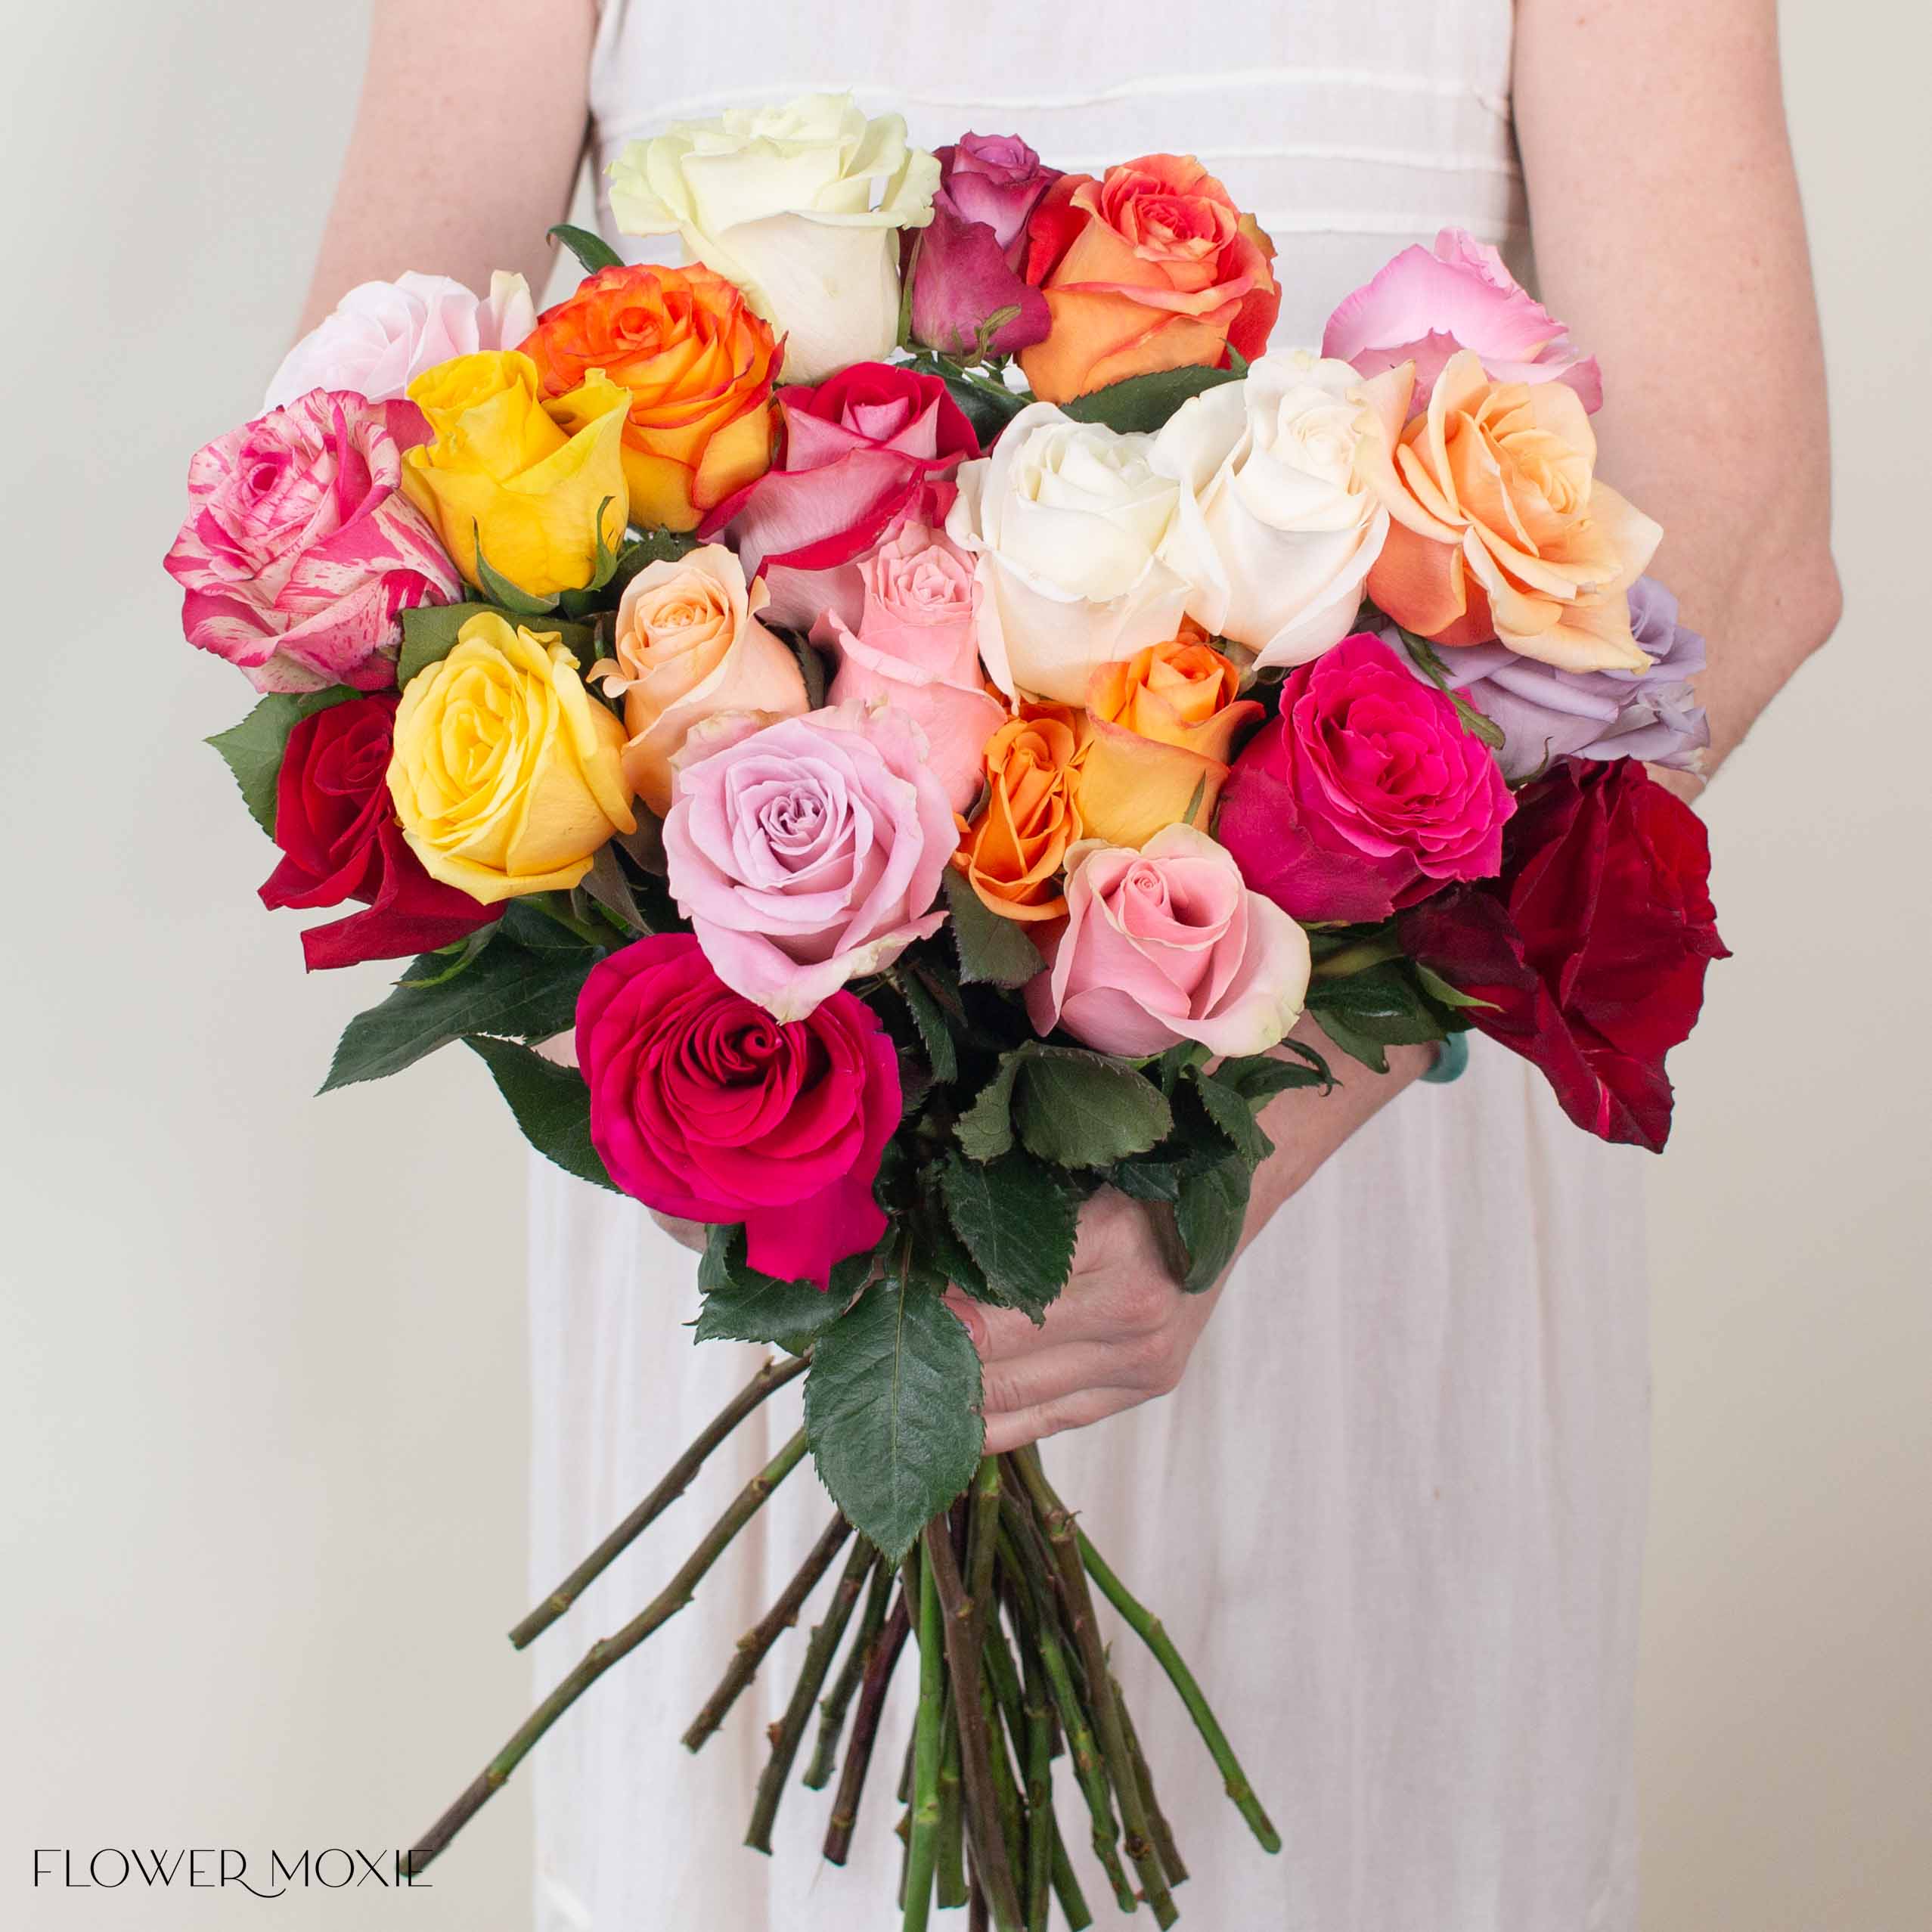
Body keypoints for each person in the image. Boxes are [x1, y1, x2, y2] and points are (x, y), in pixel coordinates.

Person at [301, 2, 1839, 1924]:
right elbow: (359, 464)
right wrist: (772, 1055)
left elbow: (1746, 542)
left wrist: (1227, 1171)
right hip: (783, 1156)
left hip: (1337, 1137)